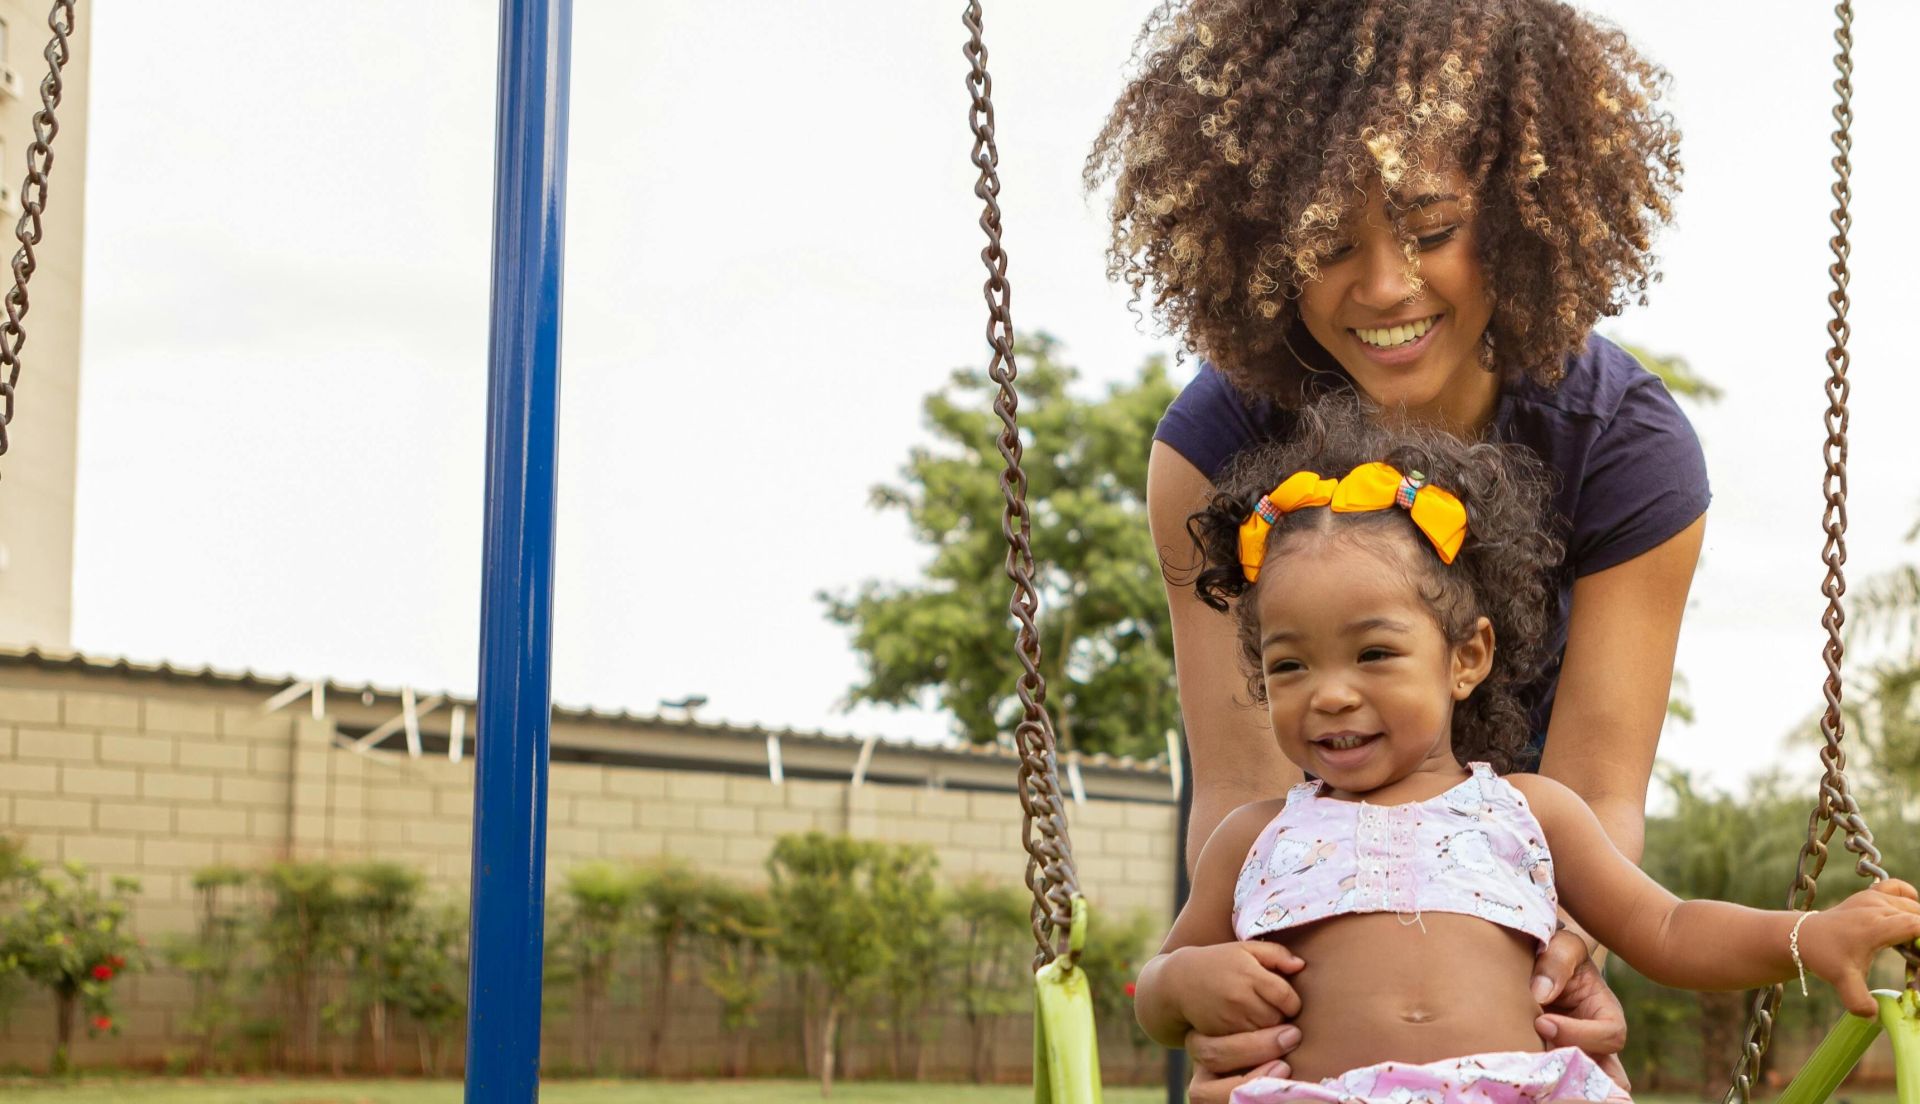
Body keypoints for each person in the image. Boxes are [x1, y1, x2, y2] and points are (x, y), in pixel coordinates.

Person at [1085, 0, 1706, 1092]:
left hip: (1508, 863)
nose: (1382, 288)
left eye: (1431, 230)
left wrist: (1560, 953)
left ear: (1519, 212)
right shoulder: (1218, 445)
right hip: (1305, 878)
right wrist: (1242, 1003)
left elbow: (1597, 792)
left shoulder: (1626, 451)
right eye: (1327, 245)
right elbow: (1242, 784)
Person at [1132, 402, 1918, 1104]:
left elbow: (1668, 927)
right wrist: (1186, 984)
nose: (1330, 694)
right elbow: (1159, 992)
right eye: (1290, 666)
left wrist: (1805, 937)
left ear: (1466, 658)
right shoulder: (1255, 837)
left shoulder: (1528, 811)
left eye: (1373, 655)